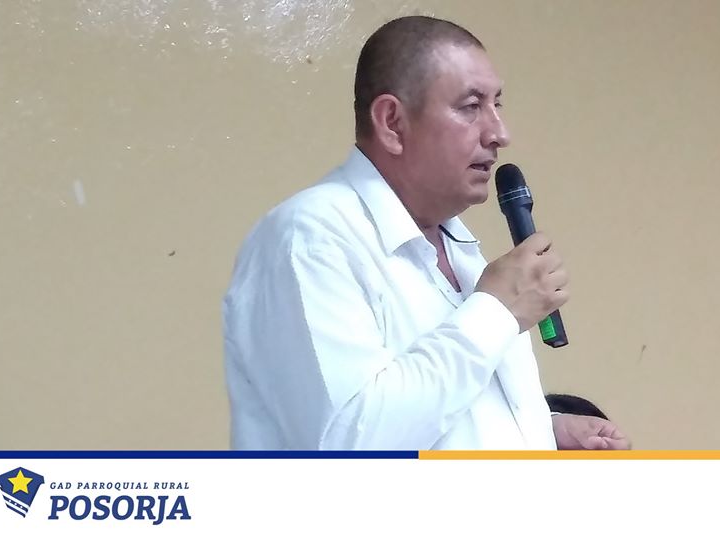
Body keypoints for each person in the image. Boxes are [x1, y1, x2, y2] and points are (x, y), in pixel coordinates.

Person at [222, 15, 630, 451]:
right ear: (392, 123)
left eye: (497, 104)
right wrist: (495, 312)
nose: (499, 133)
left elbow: (436, 415)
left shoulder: (459, 248)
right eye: (471, 106)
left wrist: (541, 429)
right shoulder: (309, 239)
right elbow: (348, 443)